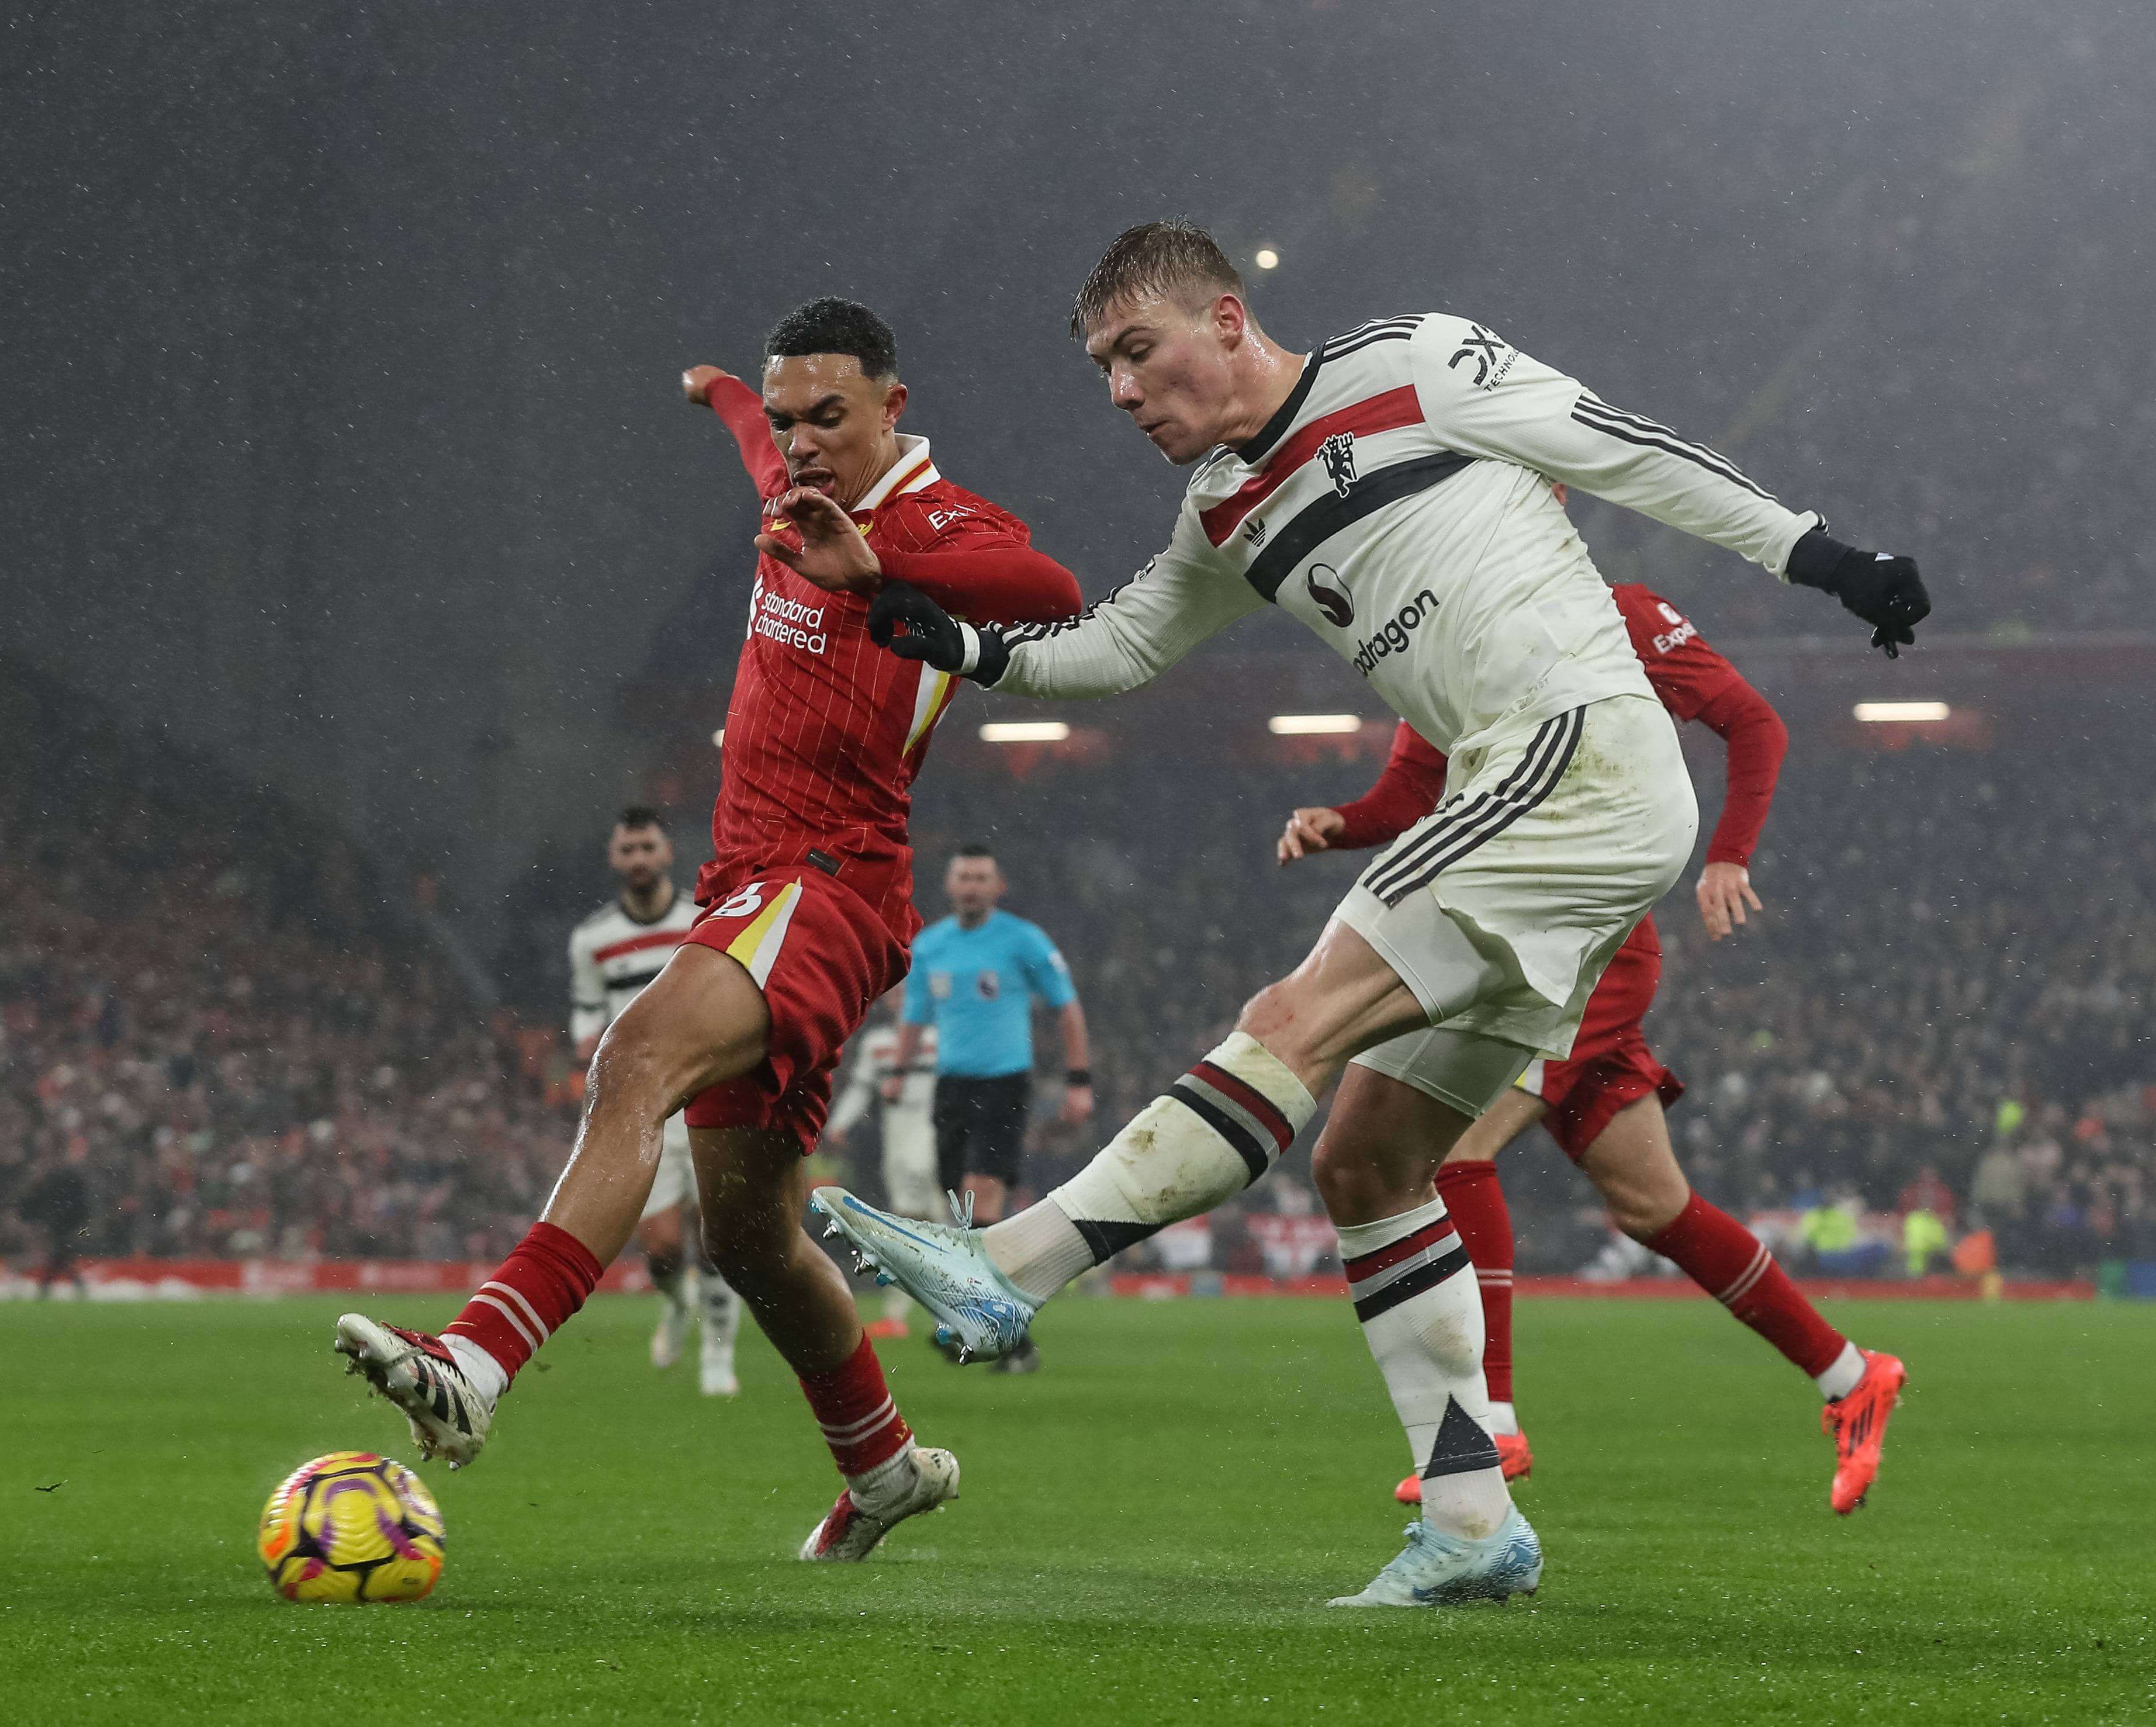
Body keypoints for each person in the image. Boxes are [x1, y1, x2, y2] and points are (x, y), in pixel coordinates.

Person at [807, 219, 1928, 1605]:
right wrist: (951, 638)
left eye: (1137, 352)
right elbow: (1122, 641)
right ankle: (1468, 1525)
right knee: (1369, 1165)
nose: (1120, 393)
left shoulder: (1416, 363)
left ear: (1226, 319)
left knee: (1296, 1015)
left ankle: (1009, 1270)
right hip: (1535, 802)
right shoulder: (1223, 509)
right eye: (1102, 370)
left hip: (1571, 750)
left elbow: (1624, 450)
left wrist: (1822, 559)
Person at [331, 296, 1081, 1566]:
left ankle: (476, 1358)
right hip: (754, 884)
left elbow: (1050, 587)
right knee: (745, 1234)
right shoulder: (788, 485)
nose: (799, 443)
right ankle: (884, 1463)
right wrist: (729, 394)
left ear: (892, 409)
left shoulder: (930, 523)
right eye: (788, 421)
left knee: (634, 1057)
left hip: (823, 882)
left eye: (827, 416)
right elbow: (754, 437)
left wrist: (879, 570)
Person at [1280, 569, 1906, 1516]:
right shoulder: (1440, 624)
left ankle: (1488, 1423)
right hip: (1518, 938)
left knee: (1452, 1147)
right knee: (1651, 1206)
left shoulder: (1621, 611)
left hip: (1582, 947)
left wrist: (1728, 852)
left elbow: (1752, 721)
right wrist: (1339, 826)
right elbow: (1407, 793)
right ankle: (1849, 1375)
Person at [895, 844, 1092, 1373]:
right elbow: (914, 1015)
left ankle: (1003, 1332)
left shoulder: (1022, 939)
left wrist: (1078, 1080)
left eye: (982, 877)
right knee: (960, 1213)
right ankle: (990, 1327)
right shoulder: (931, 944)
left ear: (997, 885)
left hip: (1004, 1083)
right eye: (964, 876)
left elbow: (1066, 1008)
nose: (972, 886)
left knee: (983, 1202)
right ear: (949, 885)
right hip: (950, 1087)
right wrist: (898, 1069)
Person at [569, 807, 743, 1397]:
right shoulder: (592, 940)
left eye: (648, 847)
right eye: (628, 849)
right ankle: (675, 1305)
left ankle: (718, 1359)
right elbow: (586, 1010)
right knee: (664, 1246)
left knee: (719, 1236)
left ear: (667, 853)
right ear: (614, 859)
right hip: (641, 1104)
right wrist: (587, 1040)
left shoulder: (704, 919)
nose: (639, 859)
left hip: (705, 1090)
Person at [821, 993, 940, 1341]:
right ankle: (915, 1313)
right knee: (923, 1223)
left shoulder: (940, 1038)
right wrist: (839, 1125)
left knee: (915, 1221)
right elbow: (860, 1088)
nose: (901, 999)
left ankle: (918, 1311)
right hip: (897, 1140)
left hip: (936, 1132)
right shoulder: (878, 1044)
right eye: (896, 993)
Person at [19, 1140, 92, 1299]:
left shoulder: (59, 1178)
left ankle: (47, 1288)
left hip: (65, 1225)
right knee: (62, 1258)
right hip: (65, 1225)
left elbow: (42, 1202)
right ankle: (68, 1287)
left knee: (60, 1258)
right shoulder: (66, 1178)